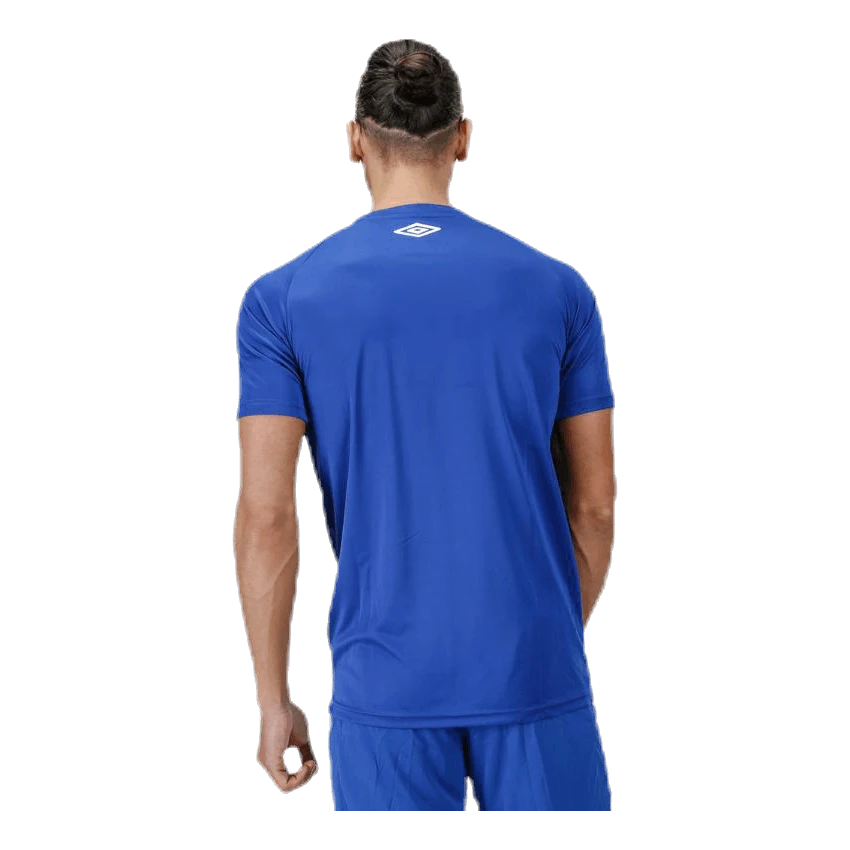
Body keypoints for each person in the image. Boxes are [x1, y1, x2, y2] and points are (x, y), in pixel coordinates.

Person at [234, 38, 616, 814]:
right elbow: (594, 507)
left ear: (355, 140)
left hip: (386, 681)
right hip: (532, 665)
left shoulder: (283, 299)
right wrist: (543, 645)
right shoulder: (559, 290)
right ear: (463, 137)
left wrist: (273, 699)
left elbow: (268, 516)